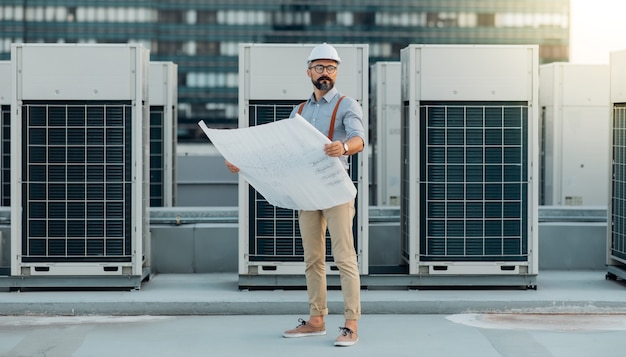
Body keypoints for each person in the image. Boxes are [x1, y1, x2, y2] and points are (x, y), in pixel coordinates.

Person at [225, 43, 365, 347]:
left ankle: (351, 324)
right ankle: (316, 320)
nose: (325, 73)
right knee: (313, 258)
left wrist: (342, 147)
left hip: (335, 189)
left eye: (330, 67)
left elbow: (359, 139)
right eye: (320, 67)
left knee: (344, 258)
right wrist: (243, 163)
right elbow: (281, 152)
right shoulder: (299, 111)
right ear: (309, 72)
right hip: (307, 190)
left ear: (336, 71)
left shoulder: (347, 105)